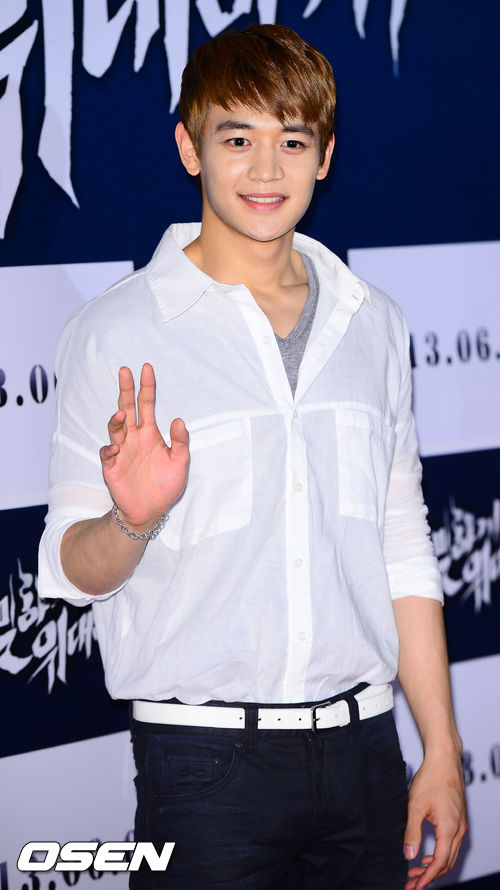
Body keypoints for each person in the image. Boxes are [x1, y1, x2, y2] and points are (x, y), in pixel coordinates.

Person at [38, 23, 466, 890]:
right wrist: (133, 519)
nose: (266, 169)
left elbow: (402, 548)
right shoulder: (116, 331)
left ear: (325, 156)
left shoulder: (374, 322)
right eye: (237, 139)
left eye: (293, 141)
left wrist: (442, 751)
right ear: (188, 148)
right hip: (204, 772)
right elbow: (72, 569)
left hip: (366, 756)